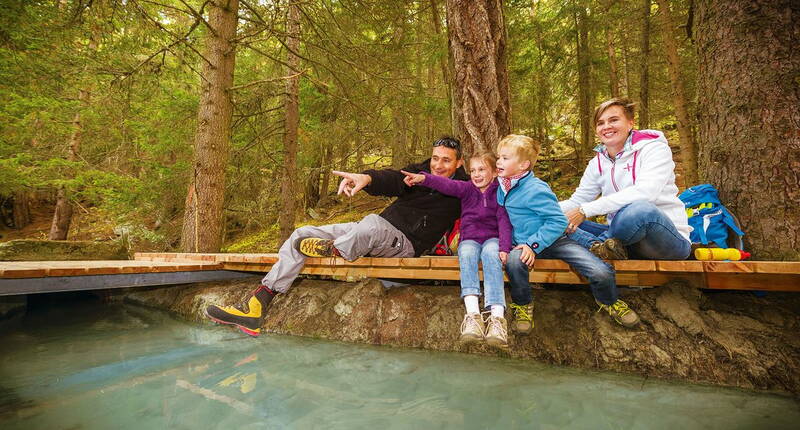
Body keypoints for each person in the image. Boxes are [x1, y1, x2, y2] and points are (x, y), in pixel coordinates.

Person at [205, 137, 468, 336]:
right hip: (377, 231)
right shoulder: (419, 171)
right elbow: (392, 179)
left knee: (372, 224)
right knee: (303, 232)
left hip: (405, 243)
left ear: (459, 163)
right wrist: (366, 178)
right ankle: (258, 303)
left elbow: (482, 206)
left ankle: (333, 249)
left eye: (446, 160)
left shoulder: (463, 190)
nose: (438, 165)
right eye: (435, 158)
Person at [497, 134, 640, 332]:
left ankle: (609, 301)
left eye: (505, 158)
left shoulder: (536, 189)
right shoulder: (502, 188)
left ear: (523, 165)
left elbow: (558, 221)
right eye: (499, 157)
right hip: (522, 244)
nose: (499, 161)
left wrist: (533, 245)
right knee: (513, 262)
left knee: (600, 271)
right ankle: (523, 305)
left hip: (555, 241)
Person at [560, 98, 691, 264]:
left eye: (613, 120)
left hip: (665, 241)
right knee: (554, 219)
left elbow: (646, 193)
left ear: (630, 123)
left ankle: (593, 246)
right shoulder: (597, 163)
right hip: (622, 242)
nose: (606, 126)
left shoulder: (654, 149)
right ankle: (601, 248)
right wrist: (543, 210)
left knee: (640, 209)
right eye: (600, 123)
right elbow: (578, 200)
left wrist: (585, 211)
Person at [401, 152, 512, 348]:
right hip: (470, 238)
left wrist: (504, 247)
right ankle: (472, 316)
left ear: (495, 172)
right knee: (467, 253)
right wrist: (424, 178)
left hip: (493, 239)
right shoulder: (467, 189)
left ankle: (496, 318)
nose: (476, 175)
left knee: (491, 254)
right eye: (473, 171)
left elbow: (504, 221)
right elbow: (446, 184)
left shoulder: (501, 192)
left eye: (482, 170)